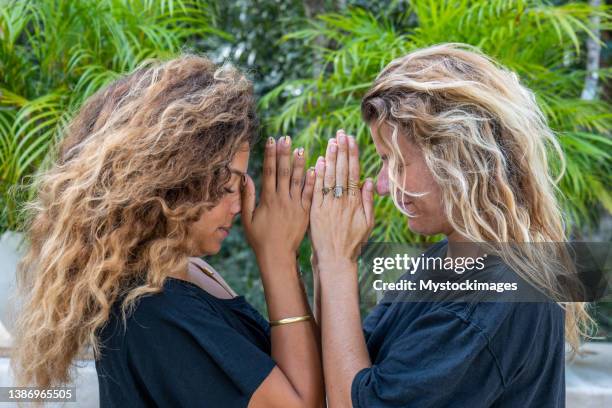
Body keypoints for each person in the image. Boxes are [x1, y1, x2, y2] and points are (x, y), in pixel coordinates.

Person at [12, 55, 324, 407]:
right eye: (226, 187)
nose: (237, 205)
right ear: (172, 182)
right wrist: (277, 256)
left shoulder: (189, 273)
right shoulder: (154, 311)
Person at [308, 43, 591, 407]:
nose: (382, 184)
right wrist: (324, 255)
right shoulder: (448, 262)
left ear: (456, 157)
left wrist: (336, 261)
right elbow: (346, 365)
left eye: (396, 161)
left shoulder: (492, 298)